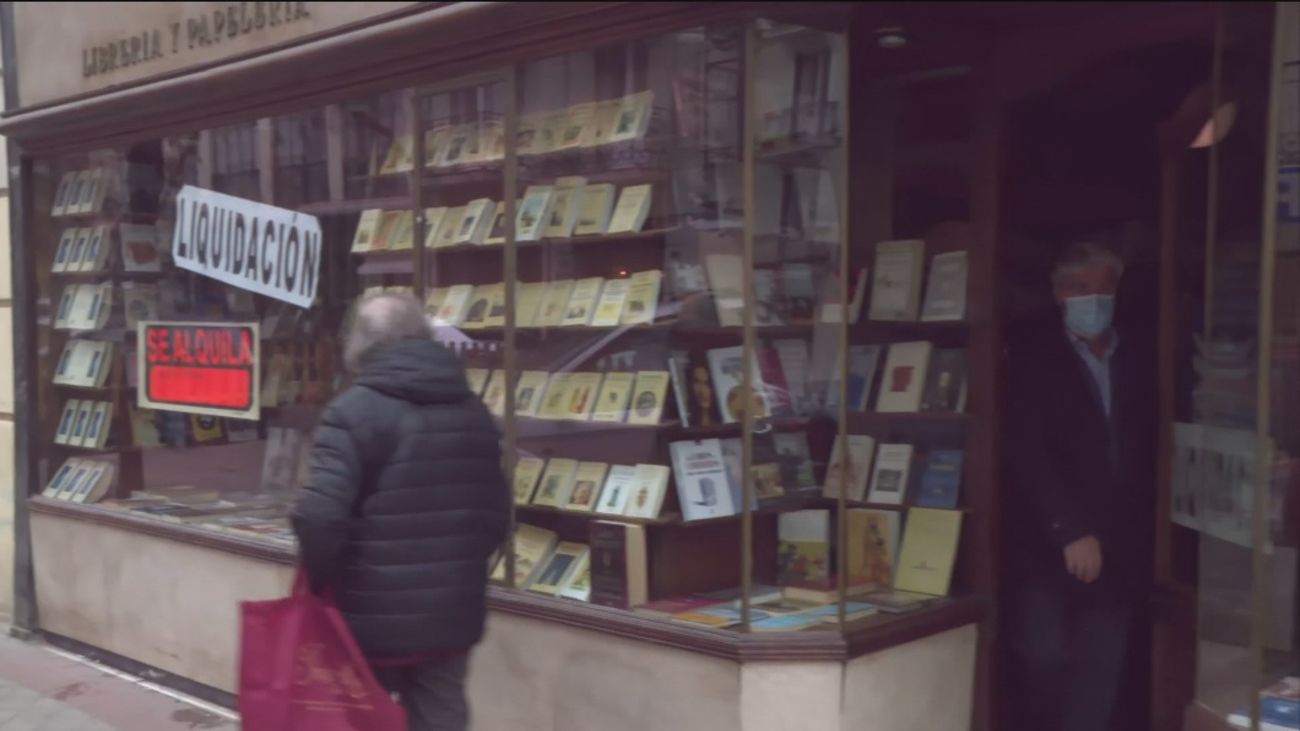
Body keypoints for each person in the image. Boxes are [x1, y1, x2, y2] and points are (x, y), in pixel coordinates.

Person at [291, 293, 510, 731]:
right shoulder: (473, 410)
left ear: (361, 344)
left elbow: (318, 517)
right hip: (451, 611)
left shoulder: (352, 412)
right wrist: (460, 570)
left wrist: (322, 579)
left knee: (361, 714)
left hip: (368, 613)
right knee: (442, 712)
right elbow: (497, 513)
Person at [1003, 239, 1154, 731]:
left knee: (1101, 669)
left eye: (1102, 287)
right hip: (1047, 541)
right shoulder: (1031, 353)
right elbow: (1026, 449)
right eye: (1078, 288)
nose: (1092, 299)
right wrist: (1069, 528)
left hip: (1120, 539)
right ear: (1056, 293)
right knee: (1044, 656)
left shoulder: (1138, 348)